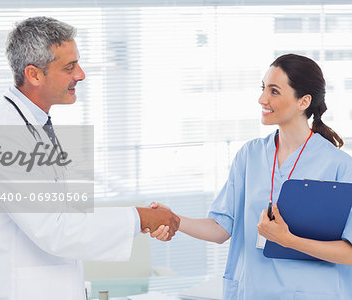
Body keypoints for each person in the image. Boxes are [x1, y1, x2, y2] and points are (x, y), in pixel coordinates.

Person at [0, 16, 180, 300]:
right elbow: (55, 229)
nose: (80, 74)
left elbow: (57, 217)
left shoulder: (32, 125)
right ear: (34, 74)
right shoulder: (5, 136)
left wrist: (139, 220)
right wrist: (139, 217)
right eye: (69, 67)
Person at [148, 54, 352, 299]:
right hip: (252, 291)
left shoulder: (339, 166)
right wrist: (174, 219)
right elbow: (221, 228)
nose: (262, 99)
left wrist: (288, 240)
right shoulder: (250, 155)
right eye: (263, 88)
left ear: (303, 101)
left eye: (274, 91)